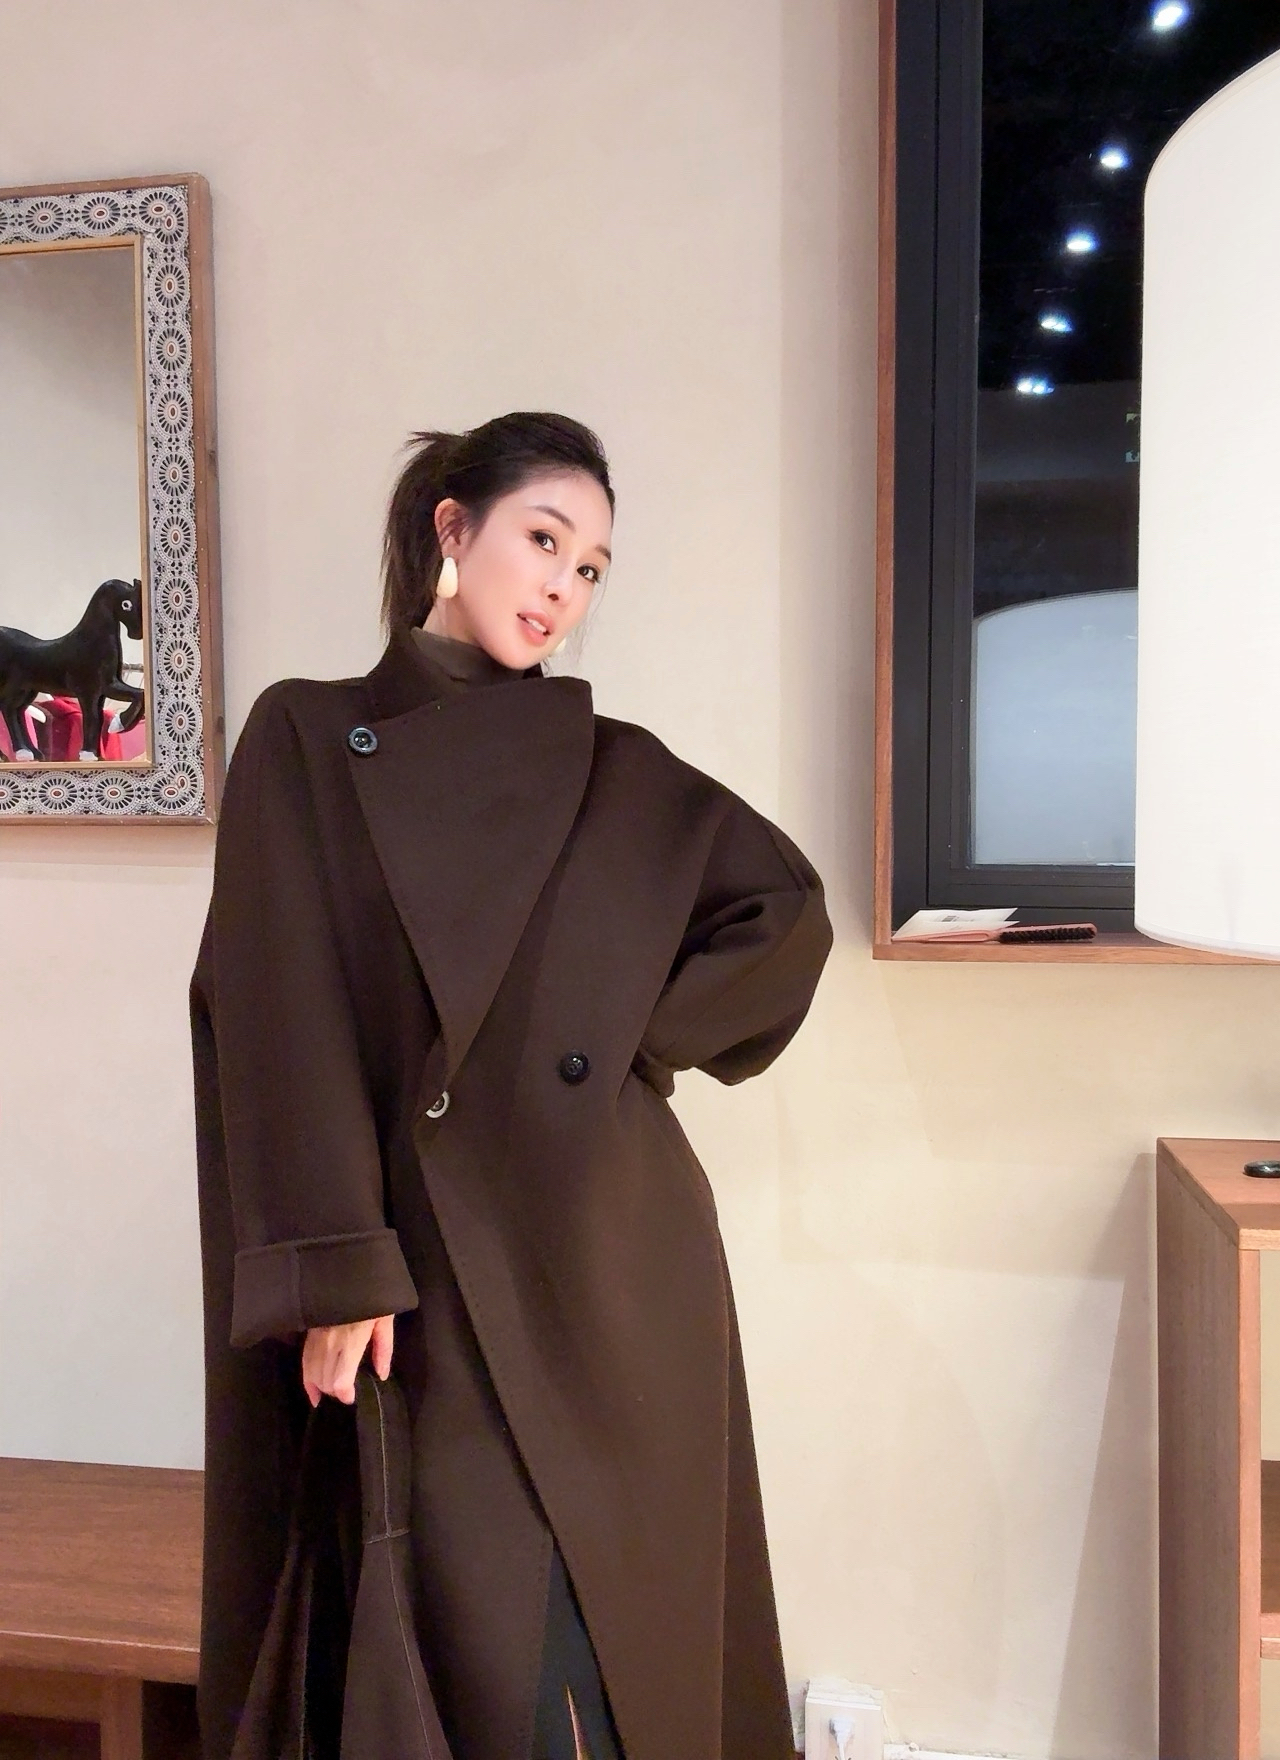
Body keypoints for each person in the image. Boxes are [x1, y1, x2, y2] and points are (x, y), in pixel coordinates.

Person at [191, 412, 832, 1760]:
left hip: (610, 1261)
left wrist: (611, 1049)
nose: (563, 588)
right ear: (453, 528)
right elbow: (276, 1002)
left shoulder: (615, 769)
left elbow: (785, 913)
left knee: (614, 1660)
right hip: (417, 1277)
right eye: (545, 540)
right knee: (461, 1652)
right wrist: (335, 1260)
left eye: (591, 568)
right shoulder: (309, 736)